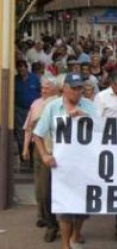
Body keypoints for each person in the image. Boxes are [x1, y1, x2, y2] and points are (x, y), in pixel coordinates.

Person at [33, 73, 97, 249]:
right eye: (74, 88)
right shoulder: (52, 107)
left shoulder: (90, 106)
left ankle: (76, 235)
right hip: (58, 163)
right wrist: (45, 155)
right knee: (63, 203)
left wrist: (86, 118)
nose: (77, 92)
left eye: (80, 88)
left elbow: (103, 133)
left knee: (82, 205)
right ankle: (64, 244)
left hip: (83, 163)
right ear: (65, 89)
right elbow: (37, 134)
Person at [22, 76, 59, 242]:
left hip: (55, 149)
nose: (43, 90)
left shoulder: (58, 103)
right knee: (41, 189)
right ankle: (46, 218)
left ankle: (56, 224)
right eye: (42, 87)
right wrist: (25, 149)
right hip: (39, 149)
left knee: (49, 191)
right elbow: (29, 127)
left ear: (55, 89)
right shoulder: (36, 103)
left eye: (47, 87)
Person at [15, 59, 41, 160]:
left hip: (33, 110)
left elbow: (40, 93)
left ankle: (33, 157)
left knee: (34, 133)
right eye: (19, 67)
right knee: (21, 133)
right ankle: (23, 156)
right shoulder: (15, 80)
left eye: (23, 67)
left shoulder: (34, 78)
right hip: (19, 110)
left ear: (26, 67)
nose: (21, 69)